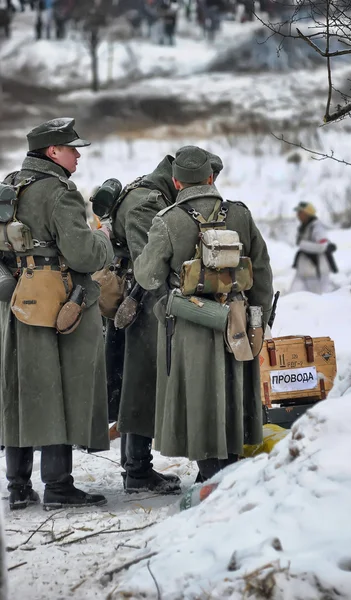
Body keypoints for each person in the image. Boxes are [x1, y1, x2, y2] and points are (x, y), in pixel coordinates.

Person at [134, 147, 274, 481]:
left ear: (176, 181)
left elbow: (148, 276)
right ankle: (229, 470)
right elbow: (263, 270)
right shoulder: (240, 214)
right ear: (211, 177)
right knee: (234, 391)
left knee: (198, 394)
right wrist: (260, 318)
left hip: (190, 322)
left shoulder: (168, 220)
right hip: (237, 320)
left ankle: (209, 473)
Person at [0, 117, 113, 510]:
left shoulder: (11, 184)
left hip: (14, 299)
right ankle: (59, 486)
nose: (77, 155)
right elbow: (83, 254)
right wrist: (103, 241)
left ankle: (17, 486)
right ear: (53, 152)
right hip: (56, 302)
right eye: (72, 149)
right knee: (59, 388)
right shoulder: (60, 192)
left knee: (20, 389)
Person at [107, 147, 224, 494]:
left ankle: (138, 468)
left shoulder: (158, 194)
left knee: (143, 383)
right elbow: (152, 271)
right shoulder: (148, 201)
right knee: (141, 384)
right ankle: (137, 470)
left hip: (156, 301)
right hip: (146, 303)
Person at [290, 201, 337, 295]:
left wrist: (303, 245)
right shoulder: (305, 227)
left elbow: (322, 246)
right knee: (293, 298)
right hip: (304, 272)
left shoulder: (317, 227)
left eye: (300, 212)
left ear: (307, 213)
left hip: (316, 273)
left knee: (318, 301)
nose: (298, 215)